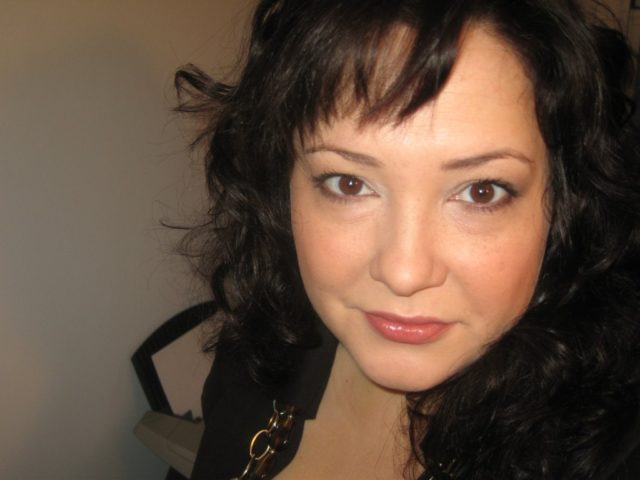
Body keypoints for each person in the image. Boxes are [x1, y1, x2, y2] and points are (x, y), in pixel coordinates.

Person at [175, 0, 640, 478]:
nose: (405, 273)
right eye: (349, 184)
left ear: (564, 201)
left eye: (481, 192)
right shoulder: (254, 356)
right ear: (283, 187)